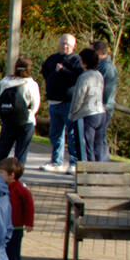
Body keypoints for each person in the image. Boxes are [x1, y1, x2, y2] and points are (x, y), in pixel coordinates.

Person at [40, 34, 82, 172]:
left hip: (68, 103)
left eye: (68, 44)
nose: (65, 46)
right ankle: (56, 161)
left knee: (71, 135)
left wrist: (63, 71)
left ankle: (74, 163)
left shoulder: (76, 61)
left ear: (73, 45)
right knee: (55, 134)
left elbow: (78, 78)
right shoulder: (53, 58)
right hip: (54, 102)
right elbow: (45, 71)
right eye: (63, 43)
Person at [0, 56, 41, 170]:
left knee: (2, 152)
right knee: (20, 154)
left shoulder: (5, 82)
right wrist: (29, 113)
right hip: (25, 122)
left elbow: (1, 99)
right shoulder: (31, 84)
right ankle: (16, 180)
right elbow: (35, 105)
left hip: (8, 122)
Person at [0, 157, 33, 260]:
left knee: (14, 251)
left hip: (16, 227)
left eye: (1, 172)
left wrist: (29, 222)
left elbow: (29, 207)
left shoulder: (21, 190)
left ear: (12, 175)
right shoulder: (0, 187)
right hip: (2, 225)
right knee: (1, 249)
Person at [70, 47, 107, 169]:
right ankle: (97, 174)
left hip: (87, 114)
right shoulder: (99, 75)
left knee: (85, 147)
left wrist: (72, 113)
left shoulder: (84, 77)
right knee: (98, 147)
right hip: (100, 112)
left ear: (84, 62)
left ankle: (87, 177)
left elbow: (79, 97)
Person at [94, 40, 118, 161]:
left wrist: (102, 107)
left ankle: (102, 166)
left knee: (99, 139)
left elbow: (107, 92)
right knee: (98, 138)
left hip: (103, 109)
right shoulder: (99, 66)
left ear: (98, 52)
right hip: (98, 108)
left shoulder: (108, 69)